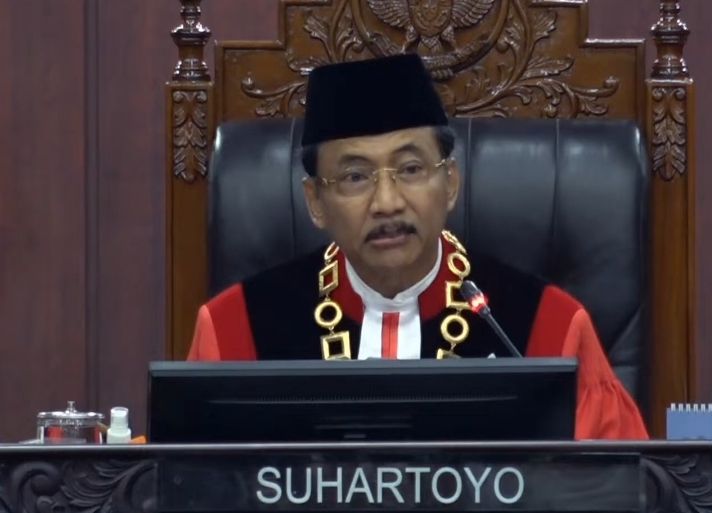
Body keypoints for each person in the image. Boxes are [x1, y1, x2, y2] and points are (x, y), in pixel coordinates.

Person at [188, 53, 648, 440]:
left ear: (450, 183)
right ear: (315, 203)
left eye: (410, 169)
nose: (387, 203)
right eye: (355, 177)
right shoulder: (234, 331)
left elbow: (612, 488)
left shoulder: (550, 329)